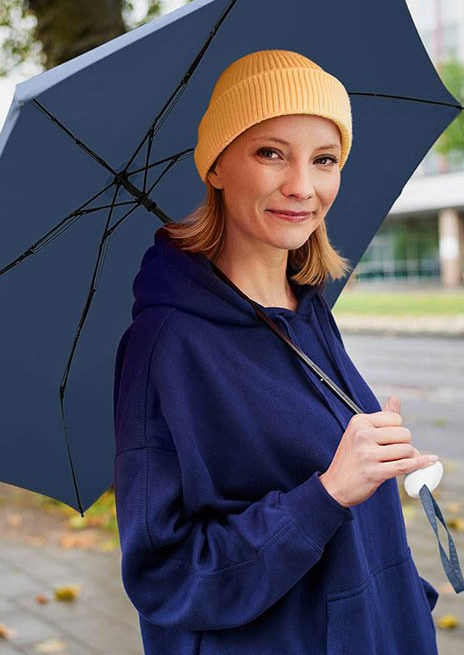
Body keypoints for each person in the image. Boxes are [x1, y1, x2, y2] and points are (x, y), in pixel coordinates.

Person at [113, 49, 440, 654]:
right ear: (216, 166)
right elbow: (167, 574)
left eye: (325, 160)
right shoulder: (167, 345)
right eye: (270, 153)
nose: (302, 187)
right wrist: (329, 492)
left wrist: (399, 597)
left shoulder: (310, 307)